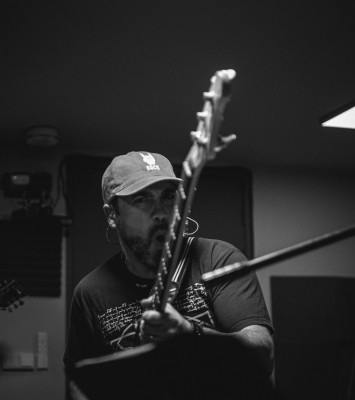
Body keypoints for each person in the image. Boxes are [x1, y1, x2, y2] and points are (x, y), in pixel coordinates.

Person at [64, 151, 275, 398]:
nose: (162, 213)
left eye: (168, 197)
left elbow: (263, 354)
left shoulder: (218, 258)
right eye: (141, 199)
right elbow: (78, 383)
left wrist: (190, 333)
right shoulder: (90, 292)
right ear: (112, 215)